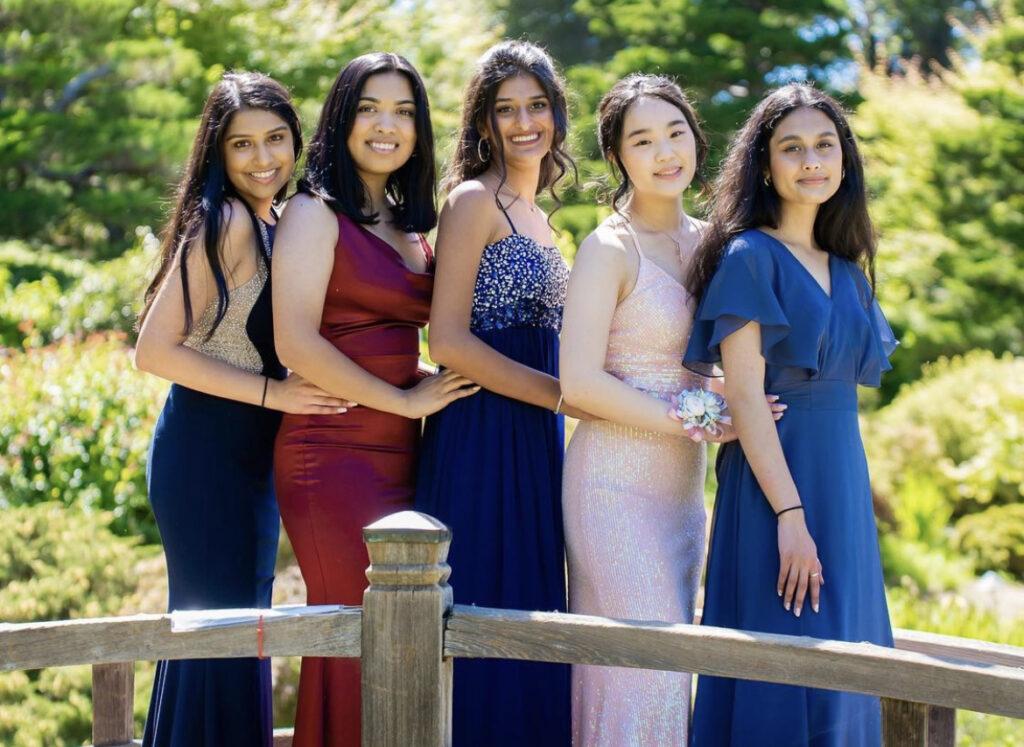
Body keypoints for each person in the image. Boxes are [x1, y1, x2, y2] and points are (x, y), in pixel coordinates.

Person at [272, 52, 476, 747]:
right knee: (352, 633)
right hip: (329, 452)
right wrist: (404, 400)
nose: (387, 126)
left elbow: (386, 334)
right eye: (370, 109)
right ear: (342, 118)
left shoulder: (411, 225)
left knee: (399, 641)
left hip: (399, 450)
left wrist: (419, 381)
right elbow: (298, 342)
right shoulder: (312, 211)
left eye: (404, 112)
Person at [135, 72, 346, 746]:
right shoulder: (226, 220)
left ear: (296, 140)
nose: (263, 160)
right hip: (205, 450)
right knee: (218, 634)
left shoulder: (281, 221)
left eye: (276, 140)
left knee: (235, 632)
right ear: (219, 155)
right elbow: (153, 350)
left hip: (251, 455)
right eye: (243, 145)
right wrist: (274, 394)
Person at [683, 83, 897, 746]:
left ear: (844, 159)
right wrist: (790, 515)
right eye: (792, 148)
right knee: (781, 665)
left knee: (848, 662)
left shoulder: (851, 274)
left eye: (824, 145)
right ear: (767, 165)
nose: (811, 161)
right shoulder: (751, 257)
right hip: (778, 492)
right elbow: (745, 396)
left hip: (841, 491)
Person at [415, 40, 581, 745]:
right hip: (481, 434)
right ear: (483, 122)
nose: (523, 123)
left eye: (536, 106)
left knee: (532, 610)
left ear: (555, 113)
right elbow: (446, 340)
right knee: (483, 599)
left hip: (538, 444)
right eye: (505, 109)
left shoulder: (543, 216)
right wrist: (559, 396)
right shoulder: (472, 201)